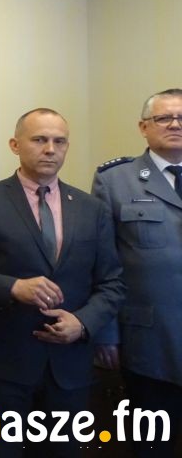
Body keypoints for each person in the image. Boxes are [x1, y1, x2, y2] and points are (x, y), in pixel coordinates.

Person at [0, 108, 124, 457]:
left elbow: (112, 282)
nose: (50, 149)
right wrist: (13, 287)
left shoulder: (92, 209)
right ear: (15, 145)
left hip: (70, 367)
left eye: (59, 141)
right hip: (5, 365)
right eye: (39, 139)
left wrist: (83, 322)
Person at [91, 88, 182, 456]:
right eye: (164, 118)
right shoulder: (114, 180)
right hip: (149, 342)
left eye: (181, 118)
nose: (175, 124)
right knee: (152, 447)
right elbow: (102, 263)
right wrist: (105, 333)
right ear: (144, 127)